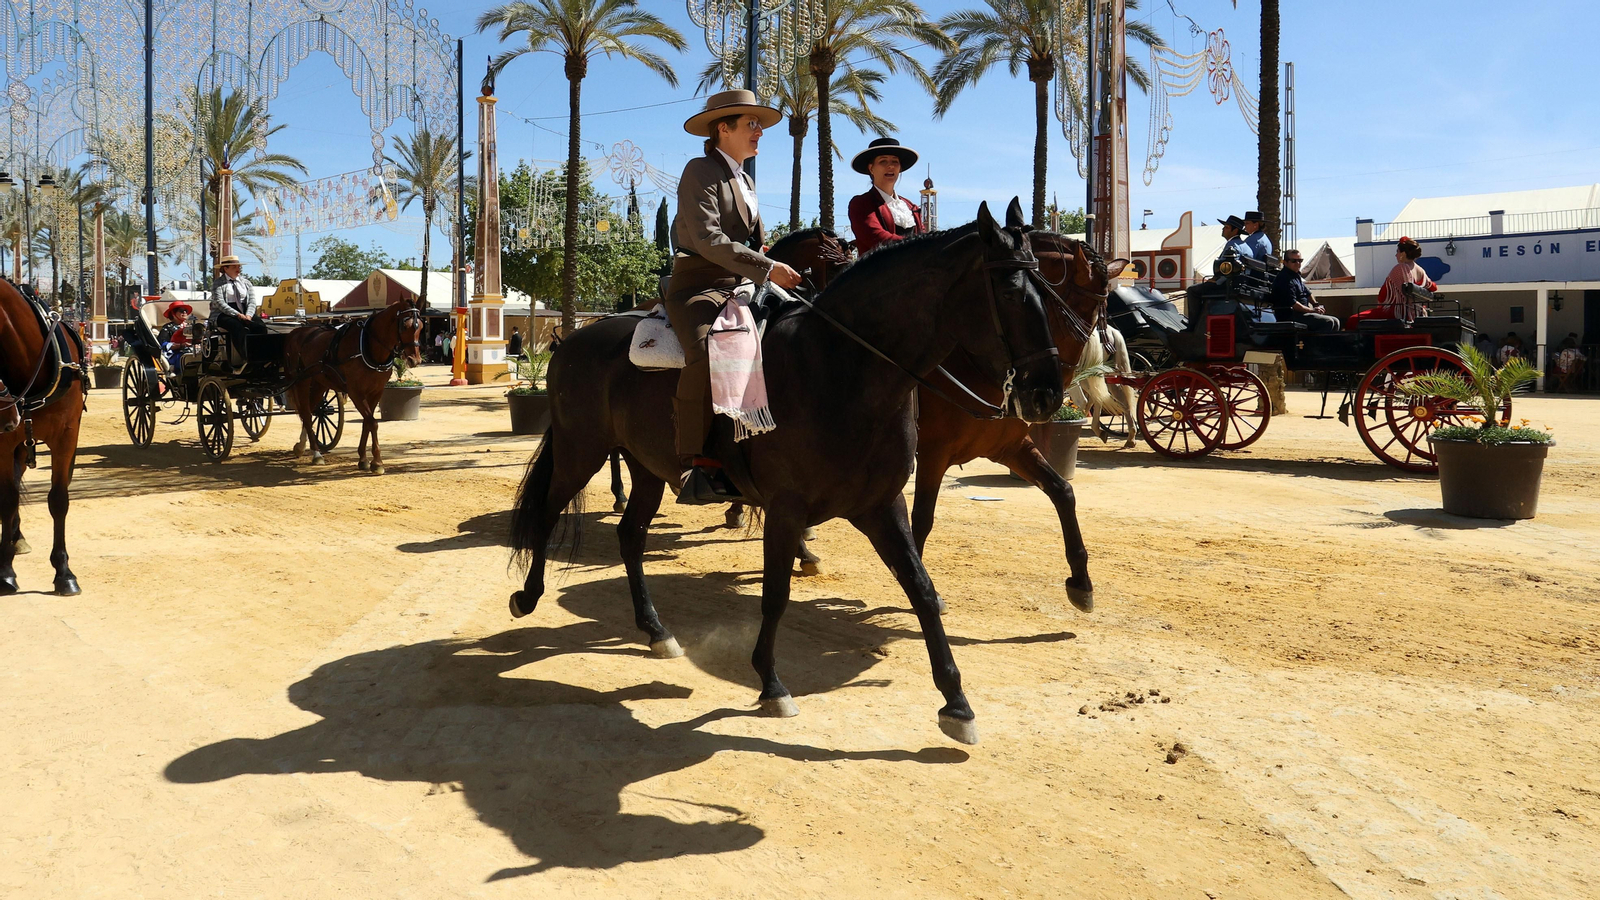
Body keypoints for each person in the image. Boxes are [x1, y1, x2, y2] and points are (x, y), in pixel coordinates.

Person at [669, 89, 803, 503]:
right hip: (697, 285)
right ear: (722, 129)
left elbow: (752, 243)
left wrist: (774, 262)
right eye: (752, 124)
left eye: (759, 125)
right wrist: (766, 268)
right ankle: (694, 464)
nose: (760, 132)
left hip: (741, 285)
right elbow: (708, 239)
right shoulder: (699, 170)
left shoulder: (745, 179)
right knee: (706, 354)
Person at [847, 137, 924, 256]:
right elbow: (878, 239)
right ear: (871, 168)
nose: (891, 166)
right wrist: (920, 245)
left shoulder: (911, 207)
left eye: (895, 161)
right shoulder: (861, 204)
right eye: (883, 161)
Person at [1347, 236, 1435, 329]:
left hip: (1397, 312)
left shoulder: (1400, 268)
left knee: (1353, 319)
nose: (1396, 255)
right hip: (1416, 312)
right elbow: (1433, 287)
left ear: (1403, 254)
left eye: (1397, 252)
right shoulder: (1420, 270)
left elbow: (1385, 294)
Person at [209, 254, 265, 362]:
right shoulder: (218, 283)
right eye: (234, 267)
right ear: (225, 268)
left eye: (239, 267)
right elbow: (220, 303)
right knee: (237, 327)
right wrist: (238, 315)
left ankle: (261, 356)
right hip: (223, 314)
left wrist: (248, 315)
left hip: (245, 311)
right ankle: (246, 357)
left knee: (260, 326)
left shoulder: (246, 283)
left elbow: (252, 301)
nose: (238, 269)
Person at [1269, 250, 1340, 332]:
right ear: (1285, 262)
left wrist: (1316, 305)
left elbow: (1307, 293)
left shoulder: (1296, 276)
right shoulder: (1284, 278)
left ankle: (1330, 344)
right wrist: (1312, 311)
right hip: (1290, 315)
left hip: (1301, 314)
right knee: (1328, 322)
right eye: (1293, 261)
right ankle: (1313, 344)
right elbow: (1293, 304)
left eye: (1300, 261)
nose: (1298, 263)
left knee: (1336, 321)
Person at [158, 302, 194, 372]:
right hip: (175, 354)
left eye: (185, 311)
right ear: (173, 313)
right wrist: (181, 345)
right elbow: (163, 345)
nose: (184, 312)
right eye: (181, 310)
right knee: (183, 358)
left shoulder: (191, 326)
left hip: (192, 352)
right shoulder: (167, 328)